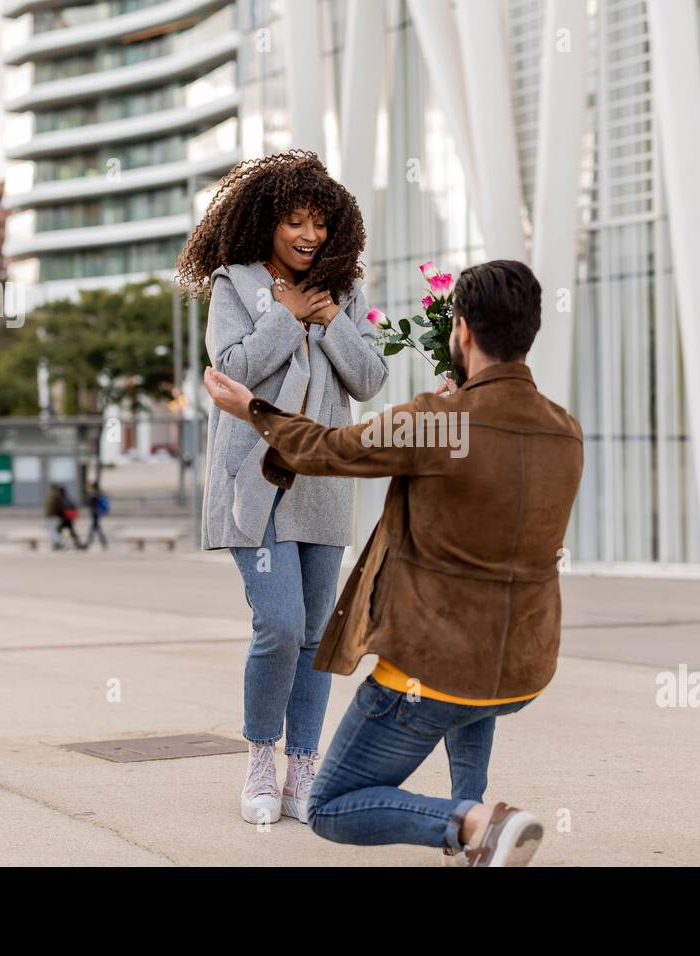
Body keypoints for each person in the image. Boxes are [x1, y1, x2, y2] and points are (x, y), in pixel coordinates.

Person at [204, 259, 584, 866]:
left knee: (329, 804)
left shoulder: (437, 422)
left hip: (431, 670)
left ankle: (473, 823)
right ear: (530, 332)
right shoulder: (564, 430)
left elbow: (329, 449)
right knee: (475, 683)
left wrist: (255, 409)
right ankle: (482, 836)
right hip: (523, 669)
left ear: (460, 331)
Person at [177, 149, 389, 826]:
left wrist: (325, 321)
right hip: (257, 481)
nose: (309, 235)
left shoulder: (344, 292)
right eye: (295, 221)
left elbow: (369, 379)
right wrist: (286, 314)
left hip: (323, 484)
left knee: (315, 636)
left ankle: (304, 766)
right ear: (267, 222)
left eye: (320, 223)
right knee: (279, 623)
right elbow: (232, 368)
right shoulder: (233, 286)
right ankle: (260, 760)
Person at [82, 482, 109, 550]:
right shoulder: (97, 494)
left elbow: (89, 503)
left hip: (95, 514)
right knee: (96, 529)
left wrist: (88, 494)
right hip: (96, 514)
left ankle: (88, 544)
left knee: (95, 530)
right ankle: (103, 543)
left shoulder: (94, 495)